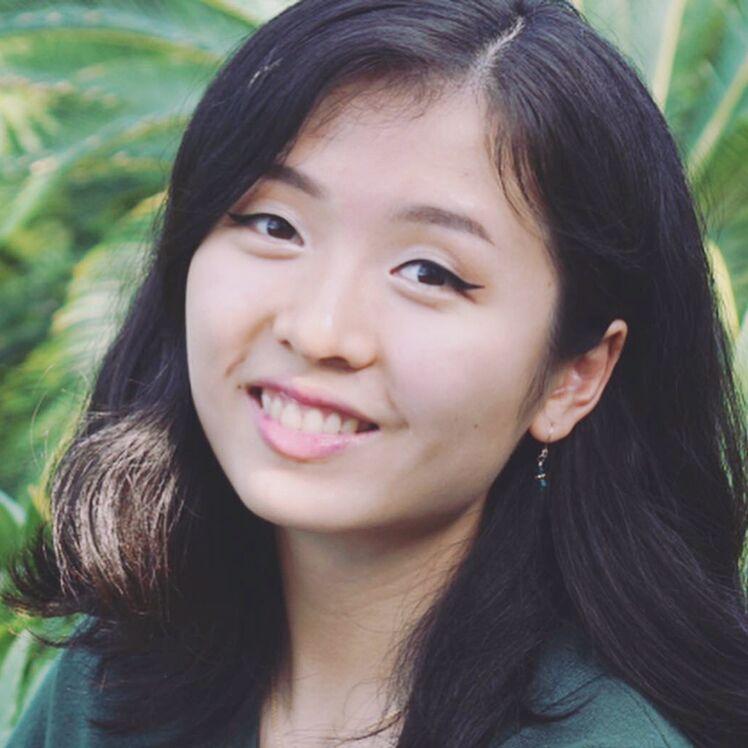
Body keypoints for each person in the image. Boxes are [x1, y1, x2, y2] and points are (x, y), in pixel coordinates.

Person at [4, 0, 748, 745]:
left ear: (573, 377)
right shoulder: (111, 681)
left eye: (429, 273)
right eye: (274, 225)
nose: (319, 330)